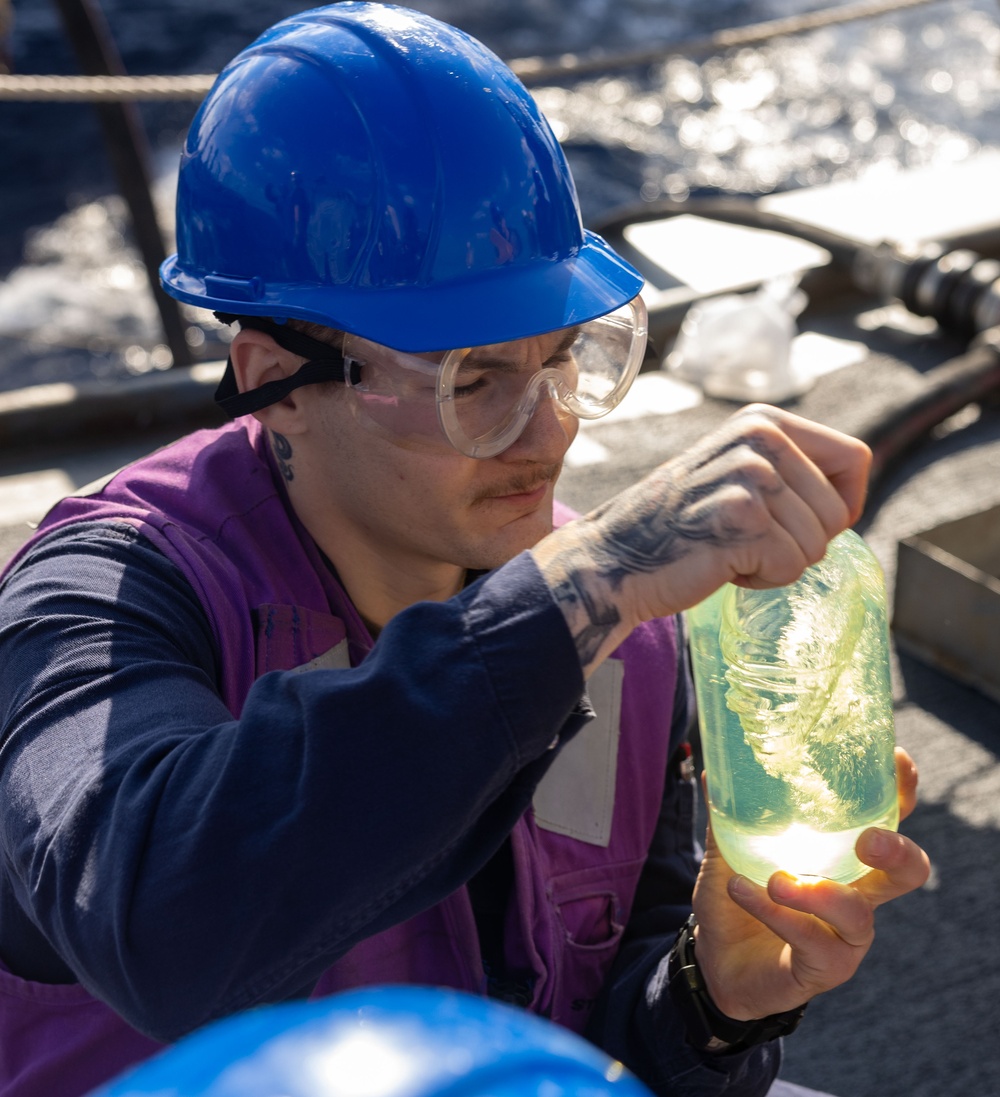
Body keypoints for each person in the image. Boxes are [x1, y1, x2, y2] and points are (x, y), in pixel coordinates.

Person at [0, 5, 929, 1097]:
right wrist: (585, 587)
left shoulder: (627, 641)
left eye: (562, 361)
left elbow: (600, 1038)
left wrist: (709, 998)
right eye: (471, 382)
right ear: (270, 380)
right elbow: (161, 915)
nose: (549, 432)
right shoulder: (99, 597)